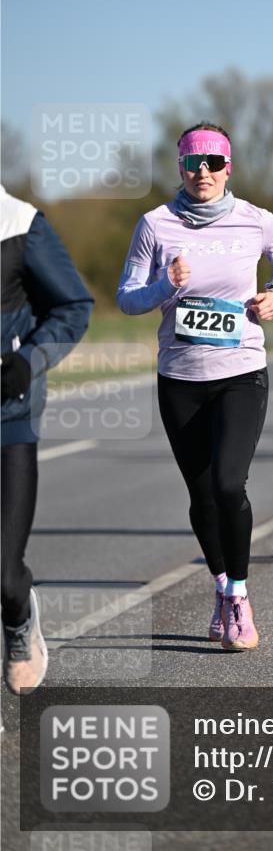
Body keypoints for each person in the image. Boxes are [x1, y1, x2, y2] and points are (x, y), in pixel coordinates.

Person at [117, 122, 273, 650]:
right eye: (193, 162)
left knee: (227, 484)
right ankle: (221, 585)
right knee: (200, 494)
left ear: (228, 167)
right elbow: (127, 297)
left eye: (213, 162)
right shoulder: (155, 224)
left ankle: (239, 596)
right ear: (180, 167)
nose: (203, 172)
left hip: (242, 371)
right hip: (180, 378)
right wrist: (163, 285)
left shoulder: (255, 220)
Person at [1, 184, 93, 694]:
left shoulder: (19, 225)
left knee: (4, 572)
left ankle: (18, 619)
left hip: (8, 416)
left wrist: (27, 361)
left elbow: (73, 305)